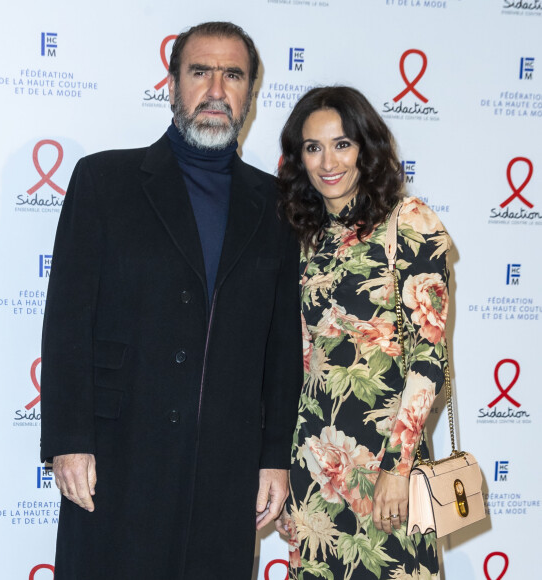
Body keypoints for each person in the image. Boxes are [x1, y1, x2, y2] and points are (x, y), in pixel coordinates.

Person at [40, 21, 302, 580]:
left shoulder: (275, 205)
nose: (215, 89)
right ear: (172, 83)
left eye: (232, 75)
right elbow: (66, 321)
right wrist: (68, 441)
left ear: (250, 94)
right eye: (200, 71)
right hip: (118, 455)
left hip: (226, 467)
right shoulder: (104, 181)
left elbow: (281, 348)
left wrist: (274, 455)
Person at [276, 87, 450, 579]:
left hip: (385, 467)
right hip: (313, 466)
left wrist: (398, 468)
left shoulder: (410, 222)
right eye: (313, 147)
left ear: (366, 149)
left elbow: (428, 357)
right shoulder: (301, 237)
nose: (328, 161)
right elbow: (297, 362)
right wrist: (285, 474)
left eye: (342, 144)